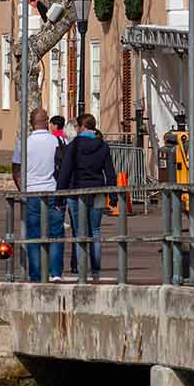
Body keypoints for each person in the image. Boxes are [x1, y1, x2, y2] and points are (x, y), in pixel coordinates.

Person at [57, 113, 117, 281]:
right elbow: (110, 173)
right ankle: (96, 270)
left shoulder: (73, 146)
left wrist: (59, 196)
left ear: (81, 127)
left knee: (80, 233)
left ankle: (82, 271)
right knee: (95, 231)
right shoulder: (103, 146)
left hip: (76, 193)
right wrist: (112, 195)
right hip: (97, 191)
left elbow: (65, 172)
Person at [13, 109, 65, 282]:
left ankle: (35, 275)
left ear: (30, 122)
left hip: (32, 192)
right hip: (54, 190)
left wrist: (23, 190)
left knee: (34, 235)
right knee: (56, 234)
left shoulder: (24, 143)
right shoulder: (59, 140)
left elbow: (16, 170)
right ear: (47, 121)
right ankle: (55, 273)